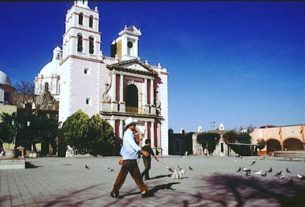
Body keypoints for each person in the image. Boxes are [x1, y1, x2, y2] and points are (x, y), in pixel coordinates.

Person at [111, 117, 150, 199]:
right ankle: (114, 191)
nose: (135, 125)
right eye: (133, 124)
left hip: (131, 158)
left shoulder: (130, 134)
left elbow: (124, 148)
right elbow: (133, 145)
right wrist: (142, 151)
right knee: (122, 176)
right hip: (129, 159)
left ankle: (143, 190)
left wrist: (123, 157)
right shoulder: (128, 134)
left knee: (137, 176)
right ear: (129, 126)